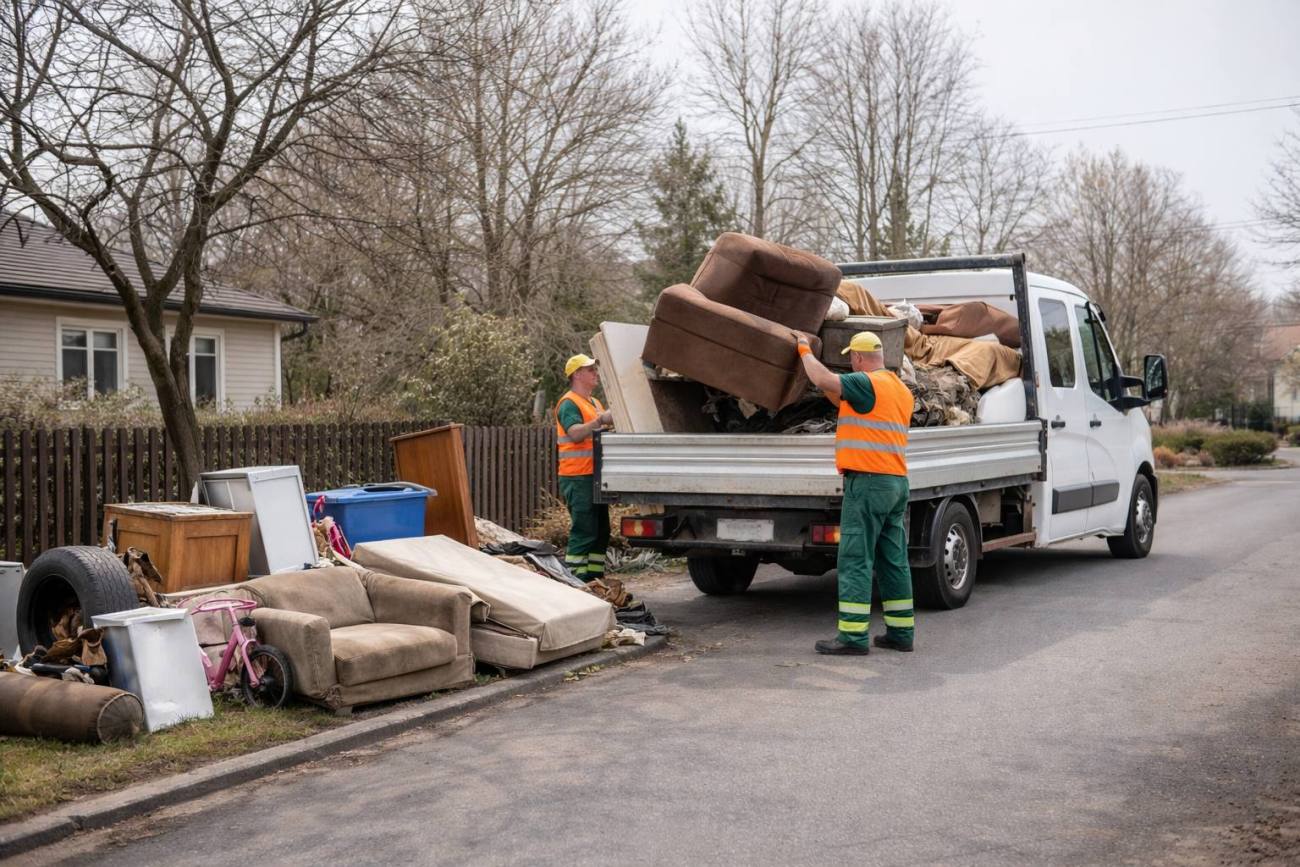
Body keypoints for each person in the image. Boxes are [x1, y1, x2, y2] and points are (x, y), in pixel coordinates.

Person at [795, 331, 915, 655]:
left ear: (859, 358)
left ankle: (852, 637)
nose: (850, 363)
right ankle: (901, 634)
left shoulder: (866, 383)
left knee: (855, 559)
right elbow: (838, 394)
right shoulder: (900, 389)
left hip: (867, 485)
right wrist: (828, 385)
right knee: (893, 560)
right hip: (896, 483)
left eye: (851, 358)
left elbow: (822, 376)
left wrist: (803, 348)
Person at [555, 354, 614, 583]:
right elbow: (576, 433)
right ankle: (575, 581)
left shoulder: (594, 402)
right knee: (584, 531)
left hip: (595, 476)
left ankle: (595, 579)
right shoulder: (569, 403)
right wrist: (601, 421)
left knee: (601, 531)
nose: (595, 373)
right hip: (577, 477)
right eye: (590, 370)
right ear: (577, 374)